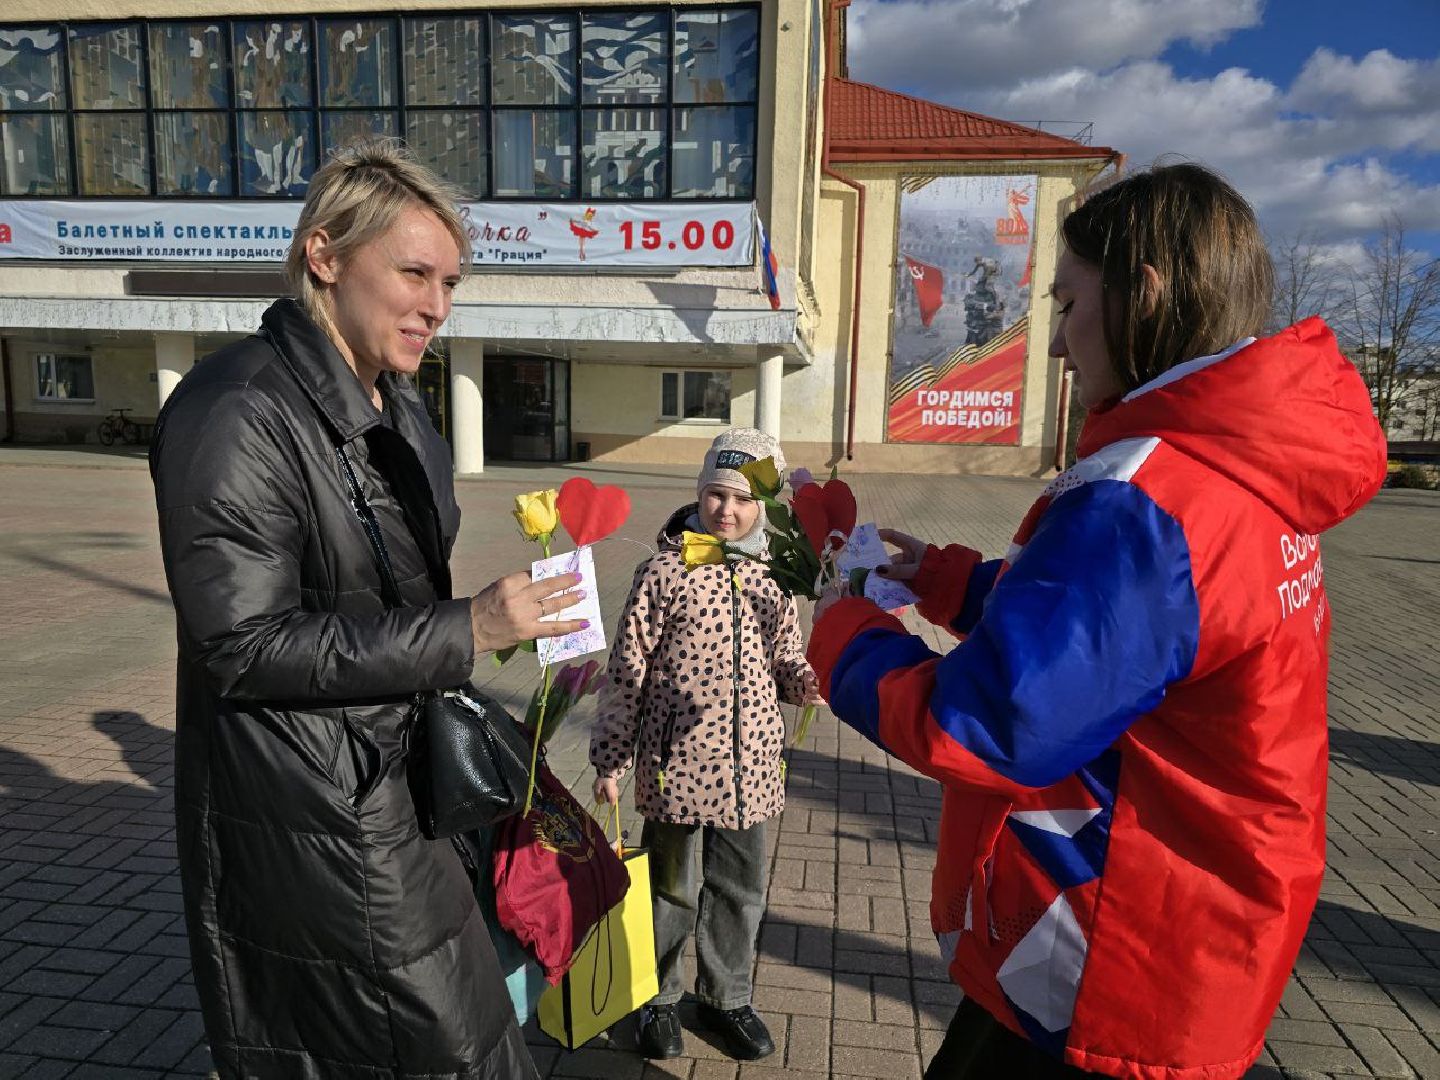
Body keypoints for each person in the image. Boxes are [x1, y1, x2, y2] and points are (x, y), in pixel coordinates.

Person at [807, 163, 1388, 1079]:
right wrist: (953, 583)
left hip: (1114, 938)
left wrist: (840, 637)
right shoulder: (1242, 467)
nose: (1056, 343)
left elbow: (994, 721)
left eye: (1068, 302)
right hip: (1200, 921)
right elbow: (1139, 637)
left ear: (1140, 295)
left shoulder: (1147, 498)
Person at [150, 140, 586, 1079]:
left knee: (466, 1034)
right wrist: (467, 632)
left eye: (451, 281)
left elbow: (393, 590)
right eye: (414, 273)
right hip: (313, 809)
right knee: (435, 1047)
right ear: (325, 256)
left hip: (397, 780)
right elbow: (238, 642)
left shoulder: (395, 406)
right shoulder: (236, 408)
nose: (437, 304)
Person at [590, 428, 820, 1062]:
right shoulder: (664, 572)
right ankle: (658, 997)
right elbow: (628, 668)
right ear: (699, 494)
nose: (728, 510)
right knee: (671, 888)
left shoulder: (773, 575)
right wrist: (614, 756)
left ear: (762, 509)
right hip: (676, 768)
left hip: (751, 769)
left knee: (741, 890)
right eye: (717, 494)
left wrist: (809, 681)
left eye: (744, 500)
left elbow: (785, 653)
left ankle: (727, 997)